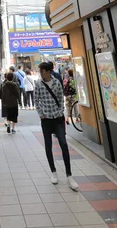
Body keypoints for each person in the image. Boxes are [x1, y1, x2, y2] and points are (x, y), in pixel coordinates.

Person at [35, 62, 78, 190]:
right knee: (48, 145)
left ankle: (69, 175)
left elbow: (60, 99)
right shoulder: (38, 84)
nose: (41, 73)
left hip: (58, 118)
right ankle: (53, 172)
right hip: (46, 119)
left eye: (42, 71)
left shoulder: (57, 83)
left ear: (48, 71)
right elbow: (36, 100)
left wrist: (60, 112)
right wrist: (41, 114)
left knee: (63, 144)